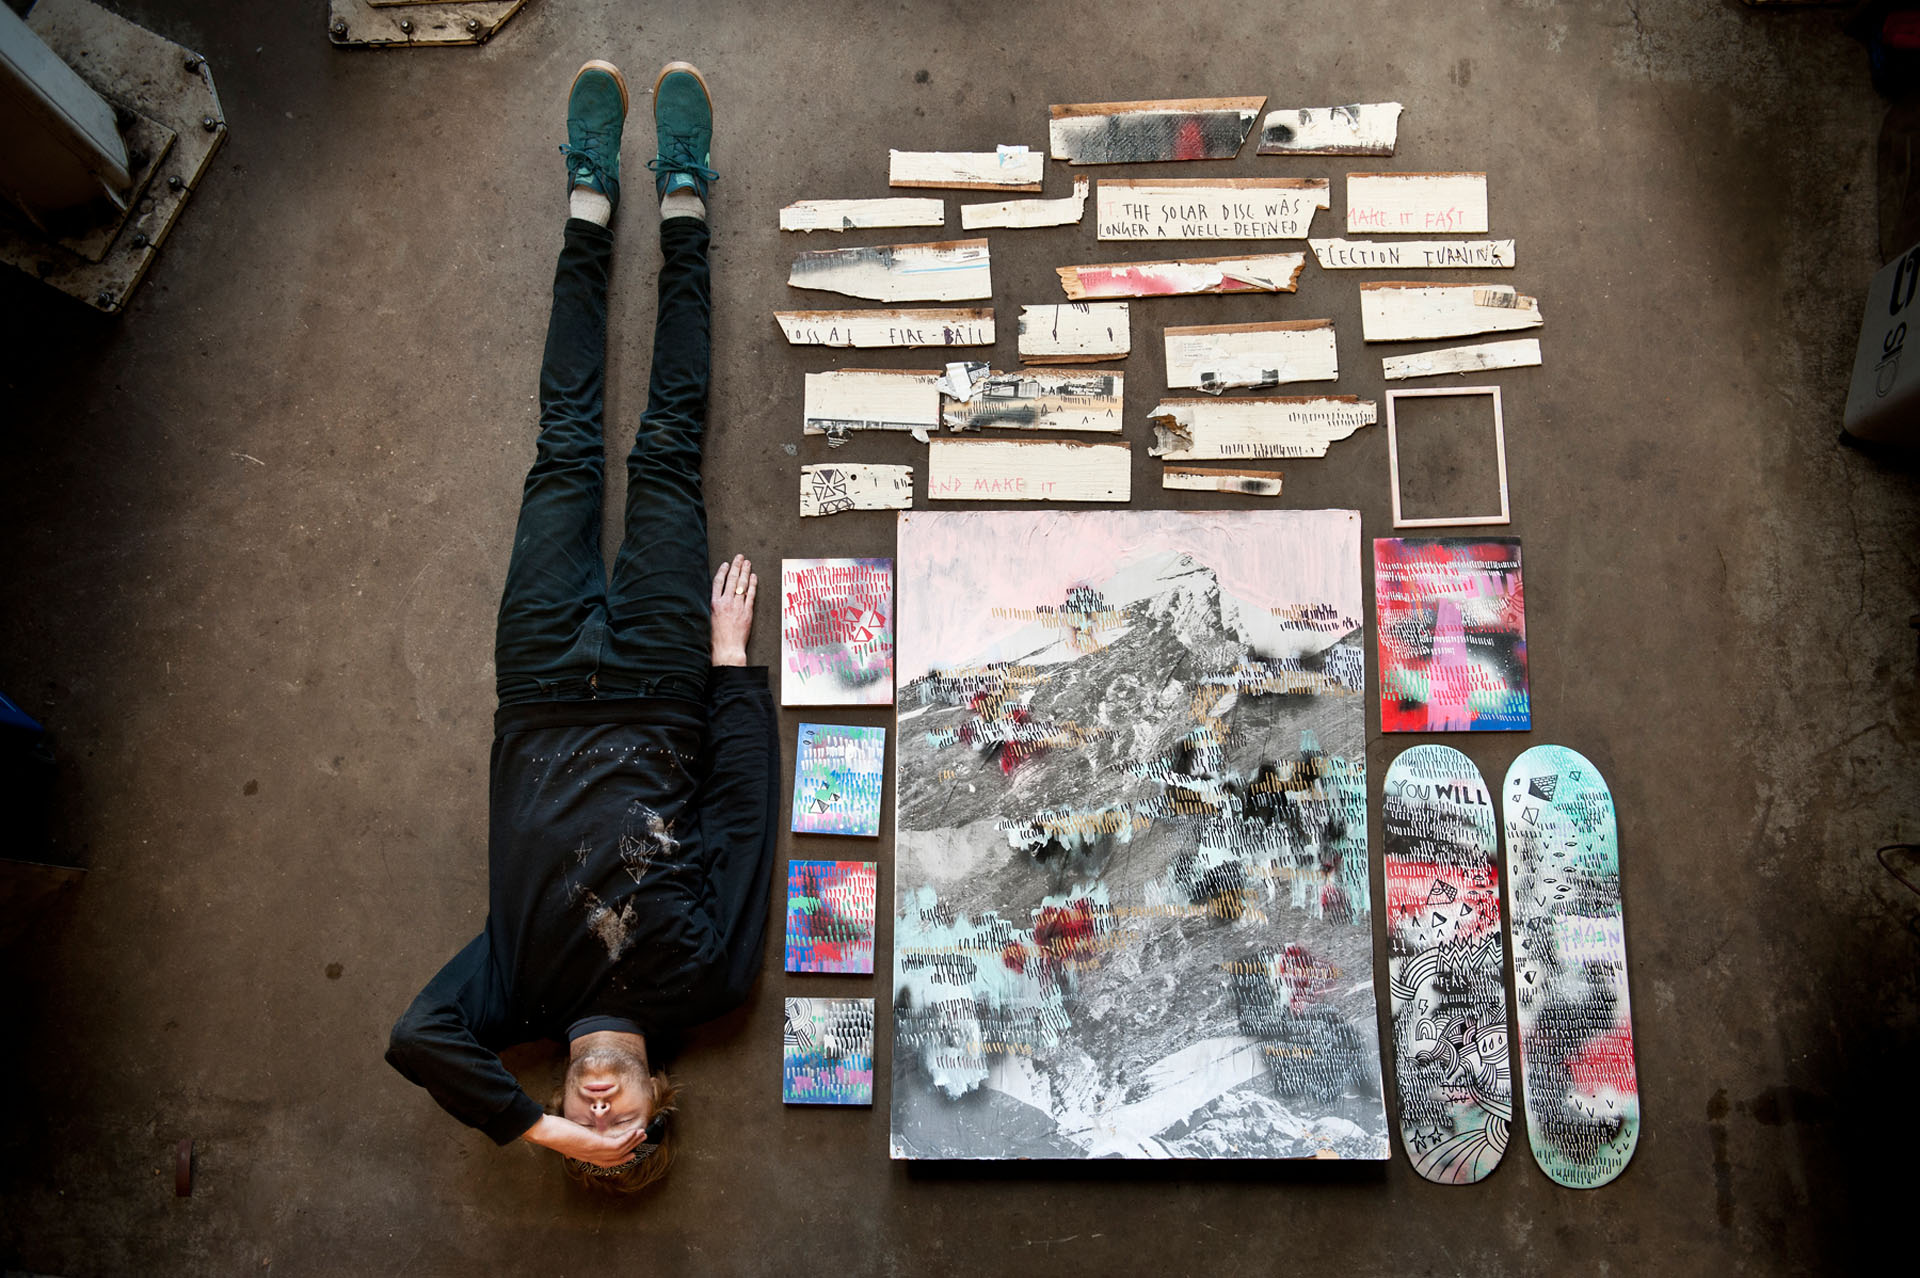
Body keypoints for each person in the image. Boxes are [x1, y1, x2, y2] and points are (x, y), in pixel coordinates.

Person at [385, 58, 778, 1194]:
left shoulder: (511, 997)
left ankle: (590, 200)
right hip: (663, 679)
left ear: (556, 1103)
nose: (603, 1110)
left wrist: (537, 1136)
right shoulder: (708, 989)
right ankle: (686, 198)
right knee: (666, 447)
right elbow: (743, 820)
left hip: (540, 679)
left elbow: (417, 1038)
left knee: (563, 445)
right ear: (664, 1101)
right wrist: (729, 666)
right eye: (629, 1131)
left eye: (584, 1126)